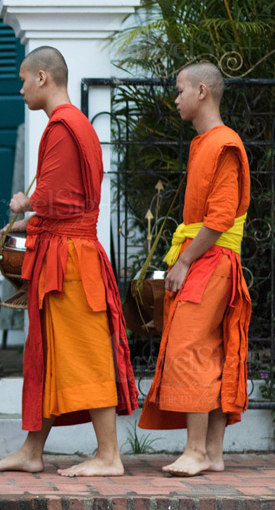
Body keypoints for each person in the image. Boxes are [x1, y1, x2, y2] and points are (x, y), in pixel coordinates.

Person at [0, 46, 137, 477]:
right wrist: (30, 225)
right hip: (65, 249)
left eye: (23, 80)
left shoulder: (63, 125)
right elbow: (71, 203)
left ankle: (109, 455)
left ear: (42, 78)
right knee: (50, 354)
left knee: (86, 353)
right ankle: (32, 451)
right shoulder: (74, 123)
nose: (21, 90)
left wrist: (25, 202)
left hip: (71, 260)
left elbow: (55, 197)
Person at [138, 62, 251, 477]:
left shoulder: (224, 144)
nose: (176, 98)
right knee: (210, 352)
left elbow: (220, 218)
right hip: (205, 258)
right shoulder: (206, 142)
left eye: (181, 89)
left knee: (188, 348)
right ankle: (213, 453)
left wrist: (185, 261)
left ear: (202, 91)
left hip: (211, 261)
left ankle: (196, 451)